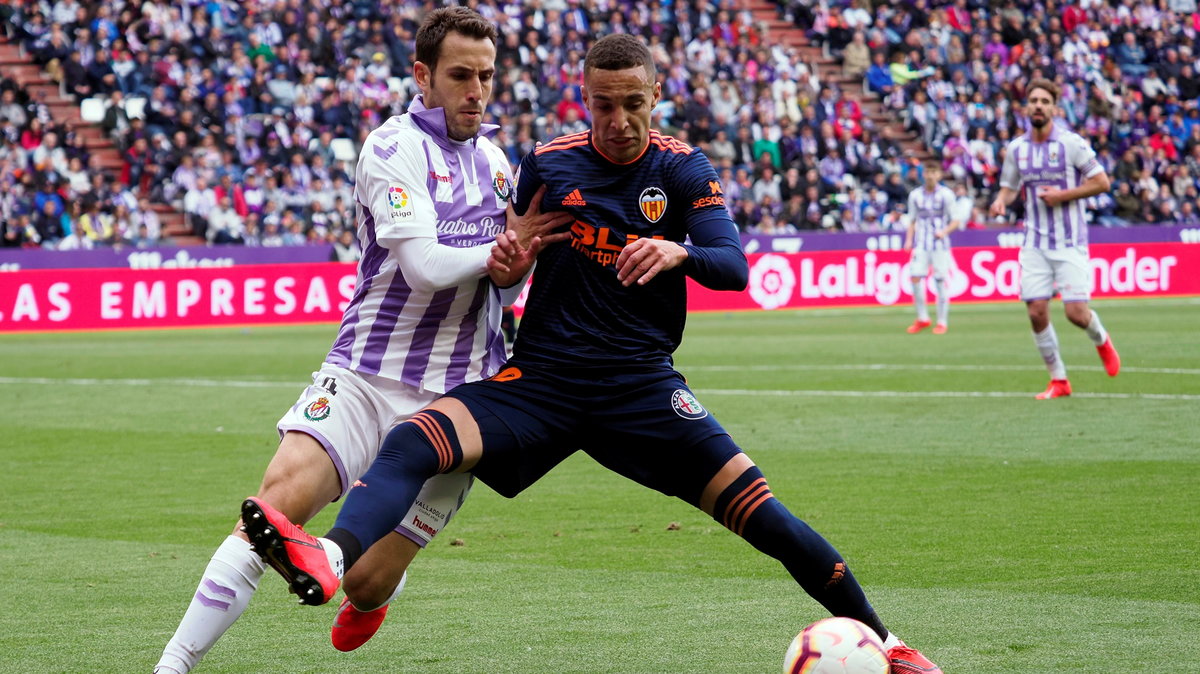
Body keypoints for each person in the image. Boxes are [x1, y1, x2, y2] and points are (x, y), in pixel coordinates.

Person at [240, 33, 942, 674]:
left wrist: (679, 249)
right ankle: (329, 555)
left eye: (633, 103)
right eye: (604, 104)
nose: (618, 120)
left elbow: (733, 265)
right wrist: (509, 259)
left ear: (654, 97)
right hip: (540, 382)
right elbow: (505, 264)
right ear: (587, 98)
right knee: (412, 441)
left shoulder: (682, 171)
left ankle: (888, 645)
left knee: (767, 518)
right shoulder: (547, 163)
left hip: (641, 390)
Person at [154, 8, 571, 672]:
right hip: (366, 373)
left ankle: (376, 592)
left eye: (486, 76)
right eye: (460, 75)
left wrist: (512, 271)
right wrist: (502, 255)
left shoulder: (497, 164)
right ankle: (170, 665)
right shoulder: (391, 148)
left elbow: (498, 290)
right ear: (422, 76)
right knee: (275, 505)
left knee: (364, 580)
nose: (476, 91)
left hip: (457, 403)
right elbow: (426, 268)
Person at [988, 79, 1120, 399]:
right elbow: (1009, 184)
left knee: (1076, 314)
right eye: (1033, 100)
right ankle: (1058, 379)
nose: (1038, 105)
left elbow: (1102, 182)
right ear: (1025, 107)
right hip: (1034, 242)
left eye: (1044, 101)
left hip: (1069, 241)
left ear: (1054, 108)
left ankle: (1100, 338)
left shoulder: (1070, 144)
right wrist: (1001, 200)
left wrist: (1063, 195)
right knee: (1036, 311)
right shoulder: (1017, 149)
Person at [903, 162, 961, 334]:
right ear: (923, 174)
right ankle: (923, 318)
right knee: (914, 277)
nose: (930, 175)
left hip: (940, 245)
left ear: (939, 175)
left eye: (933, 172)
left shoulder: (946, 195)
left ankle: (942, 322)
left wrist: (944, 232)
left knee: (940, 280)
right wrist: (908, 240)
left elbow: (956, 220)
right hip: (921, 243)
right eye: (927, 172)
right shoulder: (915, 195)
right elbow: (912, 220)